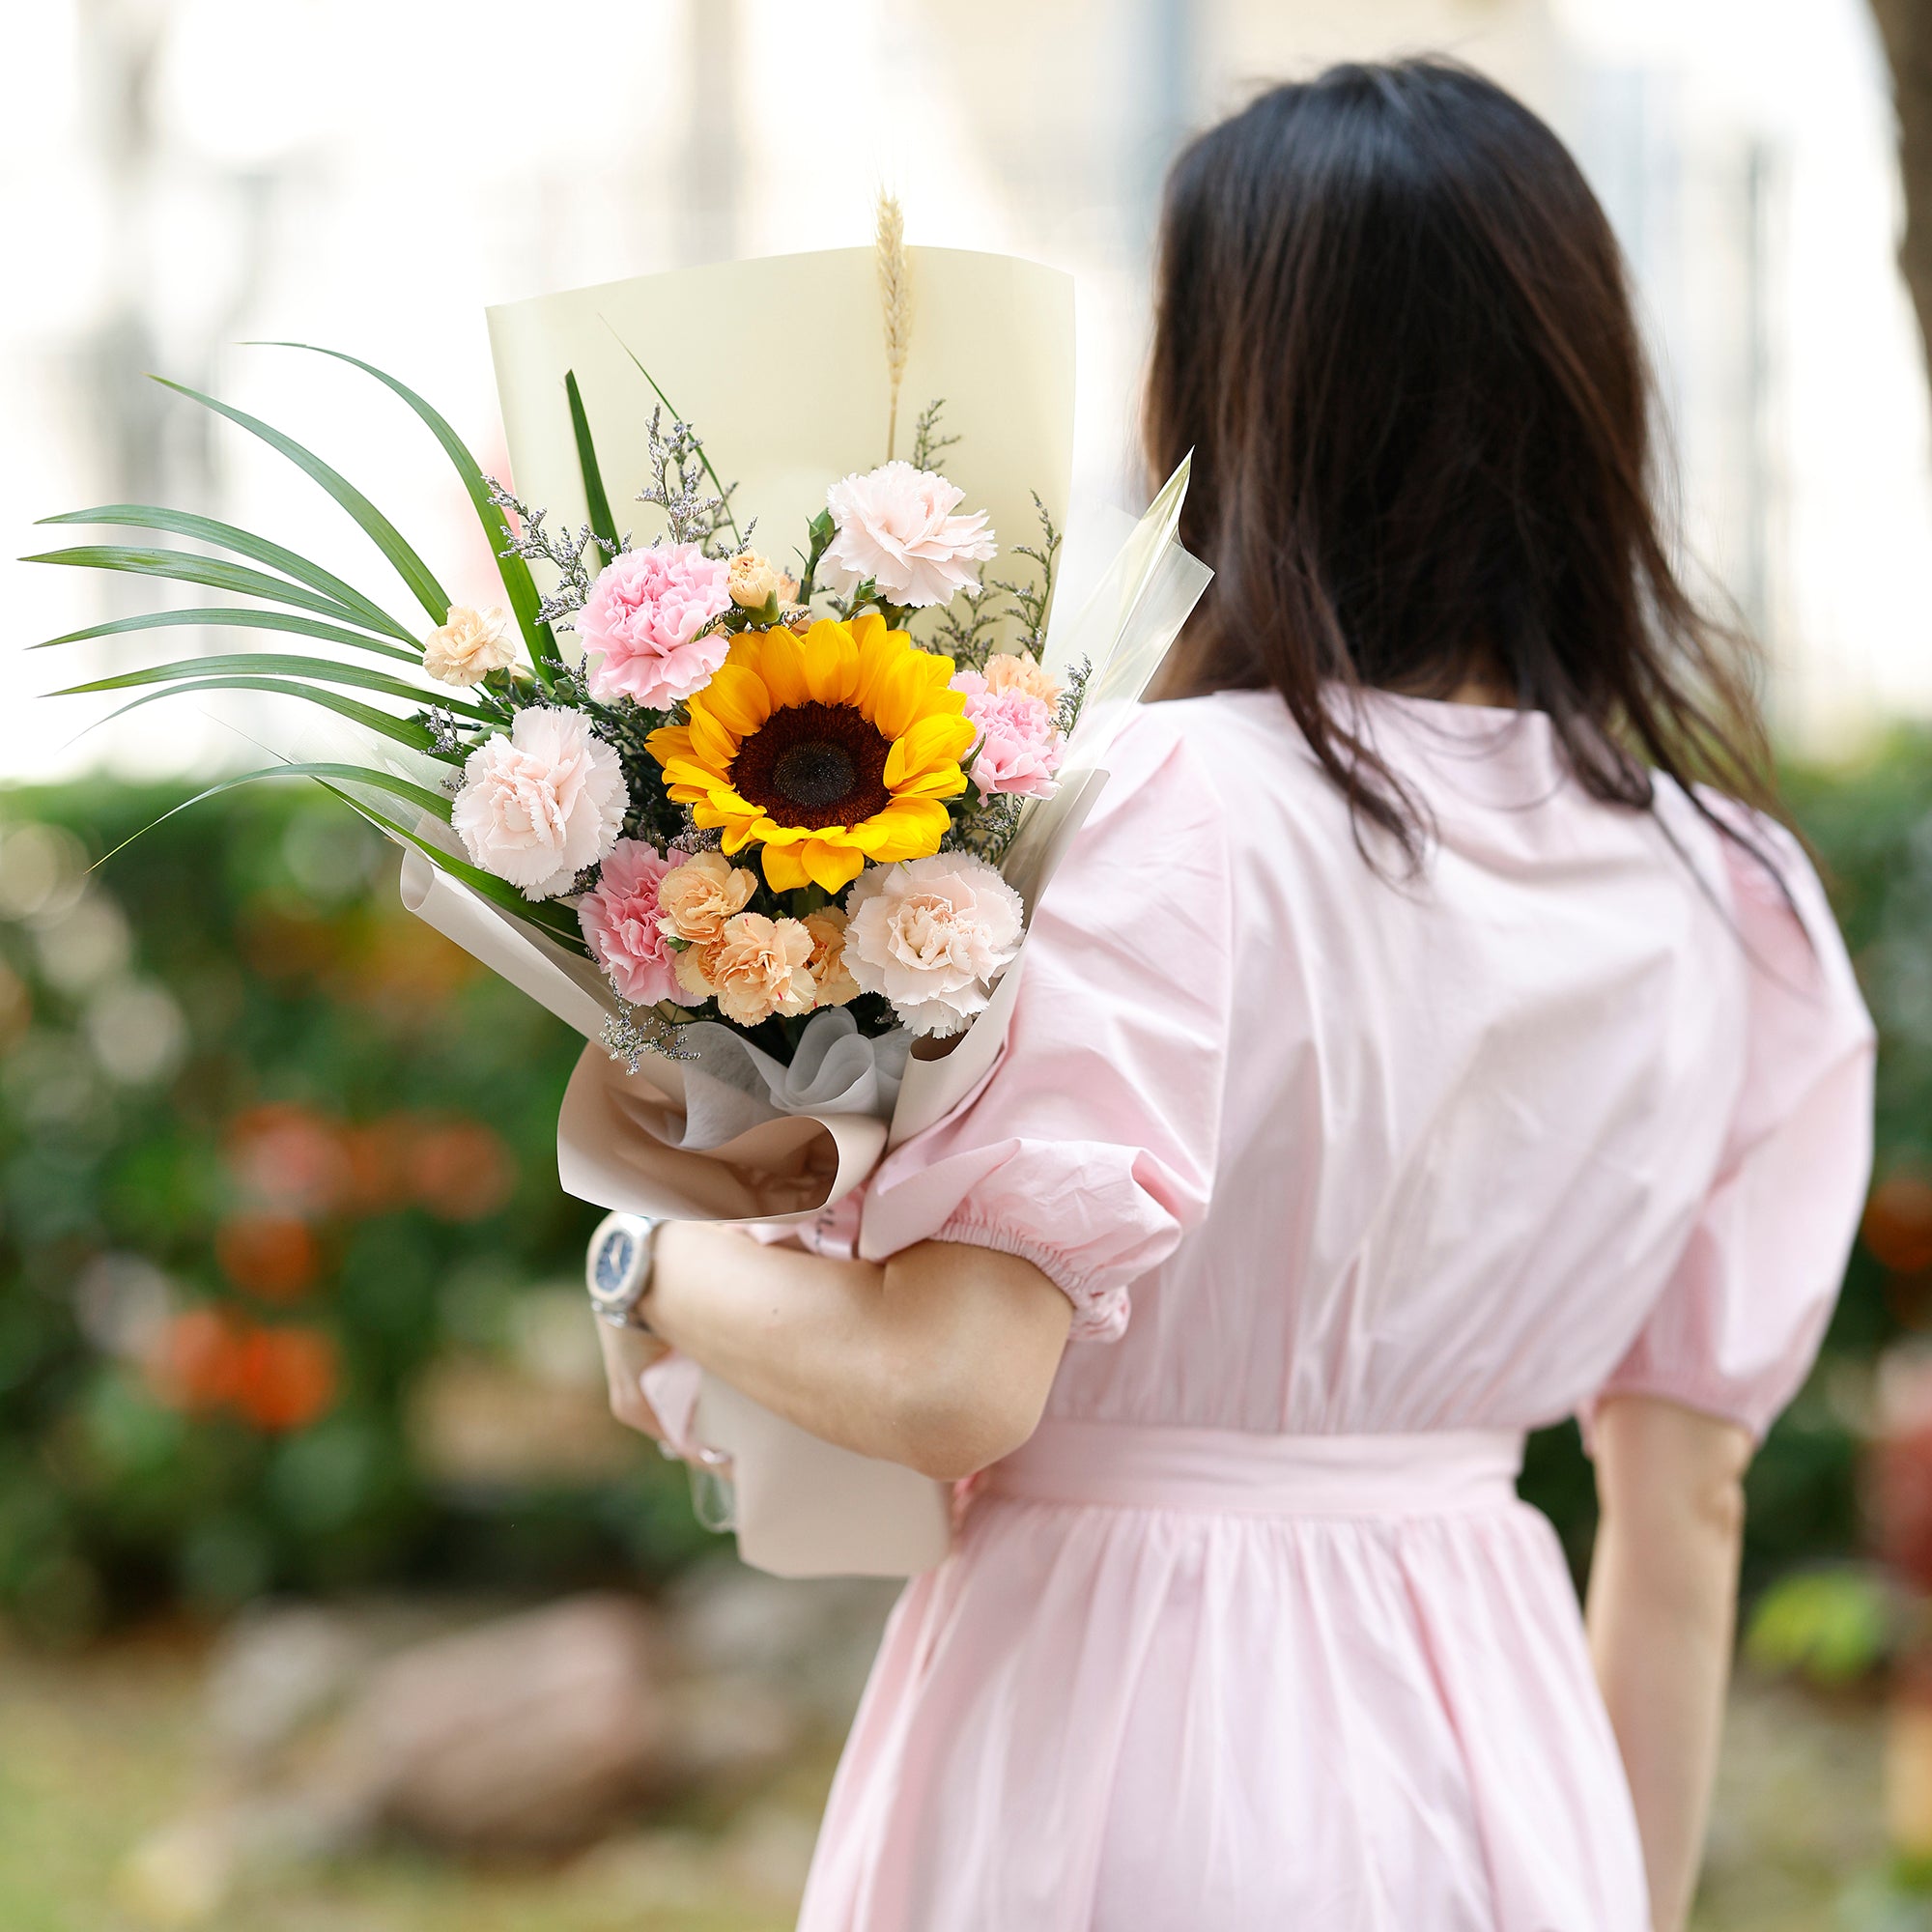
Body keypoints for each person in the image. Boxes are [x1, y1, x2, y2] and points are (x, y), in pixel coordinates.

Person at [595, 58, 1875, 1932]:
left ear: (1223, 400)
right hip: (1503, 1754)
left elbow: (955, 1381)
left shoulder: (1167, 812)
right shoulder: (1734, 901)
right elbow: (1679, 1520)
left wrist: (645, 1260)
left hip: (1118, 1742)